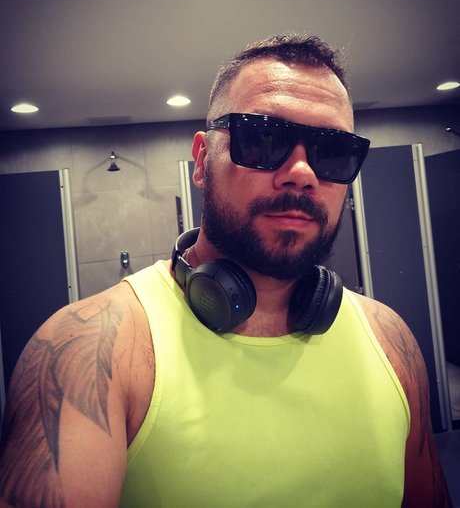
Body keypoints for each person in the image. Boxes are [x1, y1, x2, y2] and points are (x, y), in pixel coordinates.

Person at [0, 33, 452, 508]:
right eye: (263, 139)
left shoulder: (390, 338)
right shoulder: (90, 349)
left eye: (332, 150)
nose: (302, 173)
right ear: (202, 160)